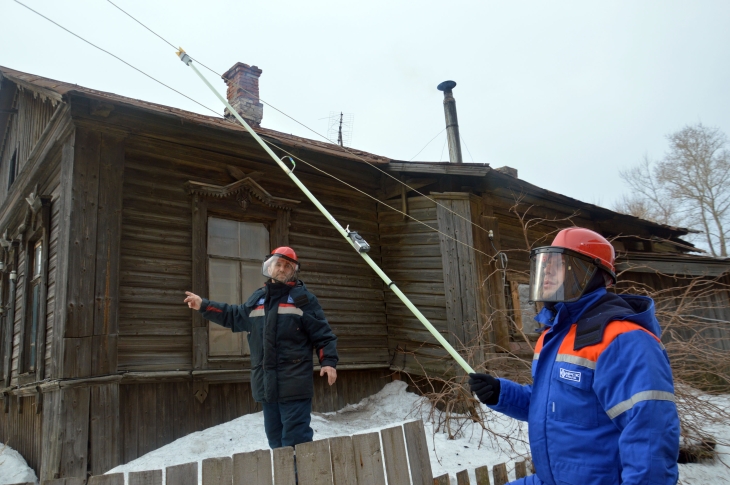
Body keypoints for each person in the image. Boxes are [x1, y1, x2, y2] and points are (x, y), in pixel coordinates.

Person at [469, 227, 679, 485]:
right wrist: (501, 393)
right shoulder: (555, 334)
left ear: (588, 273)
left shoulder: (624, 340)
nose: (546, 271)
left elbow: (650, 435)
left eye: (556, 264)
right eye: (544, 264)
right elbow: (556, 407)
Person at [184, 246, 338, 449]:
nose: (281, 269)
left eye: (287, 266)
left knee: (296, 442)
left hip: (294, 386)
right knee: (275, 441)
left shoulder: (302, 299)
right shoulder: (258, 299)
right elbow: (234, 315)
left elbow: (323, 335)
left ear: (293, 270)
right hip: (266, 387)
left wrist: (328, 362)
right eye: (278, 264)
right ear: (270, 267)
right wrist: (203, 305)